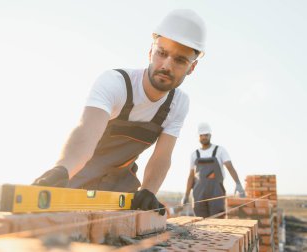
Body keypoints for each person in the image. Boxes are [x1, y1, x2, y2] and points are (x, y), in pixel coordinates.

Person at [33, 9, 207, 216]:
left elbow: (161, 156)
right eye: (162, 53)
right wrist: (63, 169)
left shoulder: (178, 103)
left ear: (192, 68)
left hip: (118, 189)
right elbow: (86, 132)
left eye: (180, 60)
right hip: (75, 180)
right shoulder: (116, 83)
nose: (167, 65)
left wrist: (149, 190)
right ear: (150, 52)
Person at [181, 123, 246, 218]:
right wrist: (186, 195)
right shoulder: (194, 154)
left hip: (216, 192)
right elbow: (191, 176)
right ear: (198, 137)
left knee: (217, 222)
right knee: (201, 224)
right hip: (199, 194)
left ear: (210, 135)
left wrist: (238, 183)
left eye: (206, 135)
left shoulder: (220, 150)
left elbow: (230, 167)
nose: (204, 137)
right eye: (201, 135)